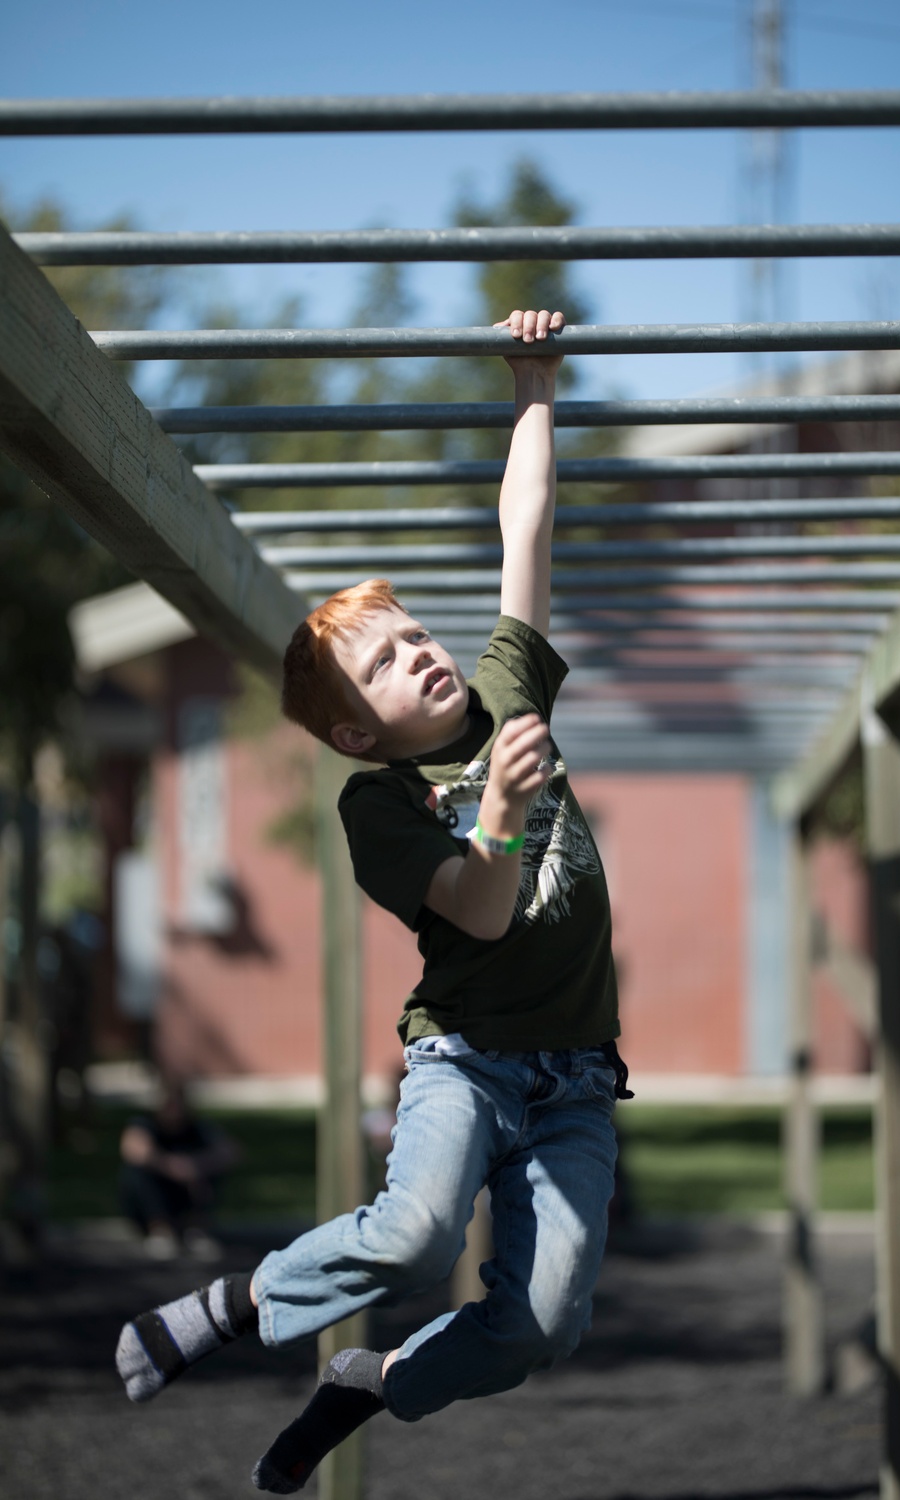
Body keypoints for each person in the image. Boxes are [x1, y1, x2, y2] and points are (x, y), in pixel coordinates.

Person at [115, 308, 631, 1492]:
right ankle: (241, 1300)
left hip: (577, 1077)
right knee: (412, 1234)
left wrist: (535, 387)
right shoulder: (379, 807)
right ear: (355, 730)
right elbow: (484, 910)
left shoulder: (507, 690)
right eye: (388, 661)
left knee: (547, 1323)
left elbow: (527, 533)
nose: (420, 653)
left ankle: (378, 1384)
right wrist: (496, 811)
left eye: (413, 633)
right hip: (466, 1060)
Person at [119, 1078, 239, 1259]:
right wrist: (174, 1167)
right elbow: (133, 1150)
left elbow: (230, 1151)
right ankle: (160, 1231)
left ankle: (196, 1229)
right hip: (154, 1197)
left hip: (188, 1194)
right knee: (137, 1172)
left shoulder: (197, 1127)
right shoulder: (146, 1124)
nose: (173, 1109)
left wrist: (196, 1167)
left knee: (213, 1171)